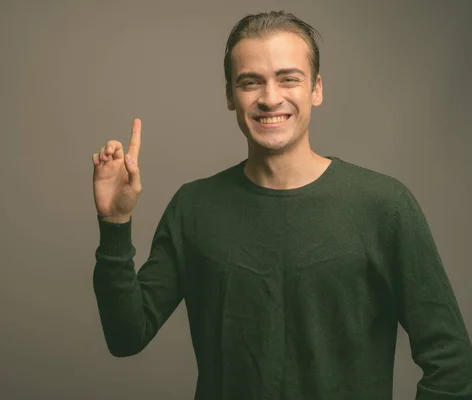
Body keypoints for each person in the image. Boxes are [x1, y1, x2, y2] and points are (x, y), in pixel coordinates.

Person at [90, 10, 472, 400]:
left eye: (288, 78)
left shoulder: (385, 206)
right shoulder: (194, 208)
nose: (270, 98)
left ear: (317, 89)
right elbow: (126, 336)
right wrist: (115, 223)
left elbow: (451, 363)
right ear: (229, 95)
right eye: (251, 82)